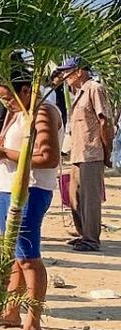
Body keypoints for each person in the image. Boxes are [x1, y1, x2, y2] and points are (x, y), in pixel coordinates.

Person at [0, 73, 63, 330]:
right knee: (15, 256)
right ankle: (11, 311)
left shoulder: (43, 111)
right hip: (9, 188)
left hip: (31, 190)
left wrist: (5, 154)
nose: (6, 104)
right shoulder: (20, 113)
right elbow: (4, 142)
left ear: (25, 90)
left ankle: (33, 324)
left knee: (29, 257)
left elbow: (48, 157)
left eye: (8, 98)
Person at [58, 56, 113, 252]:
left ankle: (91, 239)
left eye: (67, 72)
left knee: (90, 199)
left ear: (79, 71)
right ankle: (83, 234)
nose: (65, 76)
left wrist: (107, 150)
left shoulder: (94, 88)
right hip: (77, 153)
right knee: (75, 197)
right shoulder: (79, 93)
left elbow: (105, 122)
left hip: (91, 152)